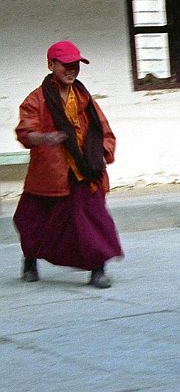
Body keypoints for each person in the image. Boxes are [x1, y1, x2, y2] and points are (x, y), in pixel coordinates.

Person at [14, 40, 122, 288]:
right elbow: (25, 132)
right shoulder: (37, 99)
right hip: (49, 173)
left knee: (93, 219)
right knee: (33, 221)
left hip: (84, 171)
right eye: (66, 65)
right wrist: (44, 138)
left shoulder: (84, 98)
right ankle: (30, 260)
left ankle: (98, 269)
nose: (72, 70)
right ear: (51, 65)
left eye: (76, 65)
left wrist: (102, 153)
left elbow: (104, 130)